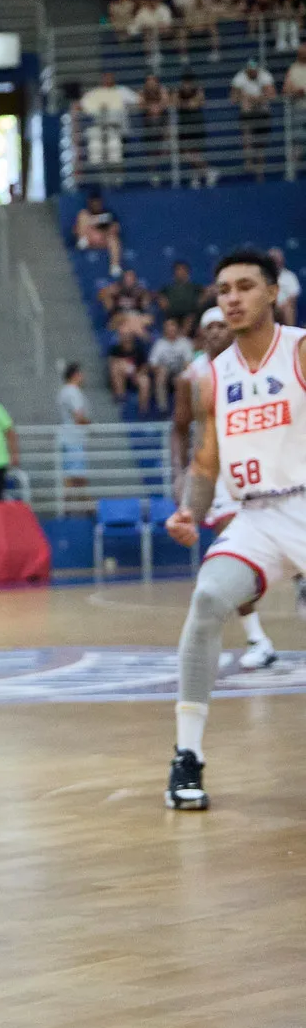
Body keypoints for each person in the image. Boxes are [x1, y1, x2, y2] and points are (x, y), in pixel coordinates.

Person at [164, 250, 306, 809]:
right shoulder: (214, 375)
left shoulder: (299, 349)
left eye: (246, 286)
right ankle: (187, 756)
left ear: (272, 293)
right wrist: (189, 514)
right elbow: (205, 464)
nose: (233, 297)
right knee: (207, 600)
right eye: (224, 289)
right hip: (256, 517)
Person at [171, 306, 281, 672]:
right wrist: (179, 473)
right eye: (210, 328)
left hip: (263, 467)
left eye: (222, 326)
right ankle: (257, 638)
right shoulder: (191, 377)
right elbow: (179, 427)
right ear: (202, 335)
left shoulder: (259, 363)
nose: (217, 332)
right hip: (217, 475)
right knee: (228, 549)